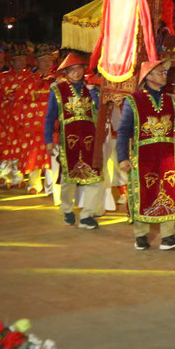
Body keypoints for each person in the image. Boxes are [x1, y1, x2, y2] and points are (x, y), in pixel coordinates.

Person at [117, 58, 175, 251]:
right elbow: (124, 131)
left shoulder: (170, 99)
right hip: (143, 155)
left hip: (167, 156)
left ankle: (168, 236)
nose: (164, 75)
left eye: (165, 73)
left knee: (168, 193)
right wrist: (122, 157)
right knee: (143, 192)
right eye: (160, 72)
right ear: (148, 76)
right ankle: (141, 236)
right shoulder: (133, 100)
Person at [44, 52, 105, 229]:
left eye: (79, 68)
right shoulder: (57, 90)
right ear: (65, 72)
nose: (76, 72)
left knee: (94, 178)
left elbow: (101, 111)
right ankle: (67, 209)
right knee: (68, 178)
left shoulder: (92, 89)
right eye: (71, 70)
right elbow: (50, 117)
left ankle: (87, 215)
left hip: (90, 139)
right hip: (68, 139)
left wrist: (94, 93)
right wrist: (48, 139)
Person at [0, 43, 36, 187]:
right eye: (18, 59)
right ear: (12, 61)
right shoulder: (2, 77)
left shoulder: (30, 77)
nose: (22, 62)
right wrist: (7, 100)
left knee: (21, 145)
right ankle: (4, 175)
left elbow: (33, 98)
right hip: (6, 117)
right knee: (4, 145)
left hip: (23, 118)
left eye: (24, 59)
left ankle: (18, 175)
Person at [20, 43, 58, 195]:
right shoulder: (29, 81)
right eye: (43, 60)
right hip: (34, 125)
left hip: (53, 125)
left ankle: (51, 186)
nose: (47, 63)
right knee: (34, 153)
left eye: (50, 59)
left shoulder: (58, 80)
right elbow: (20, 102)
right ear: (36, 62)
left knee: (52, 155)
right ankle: (34, 183)